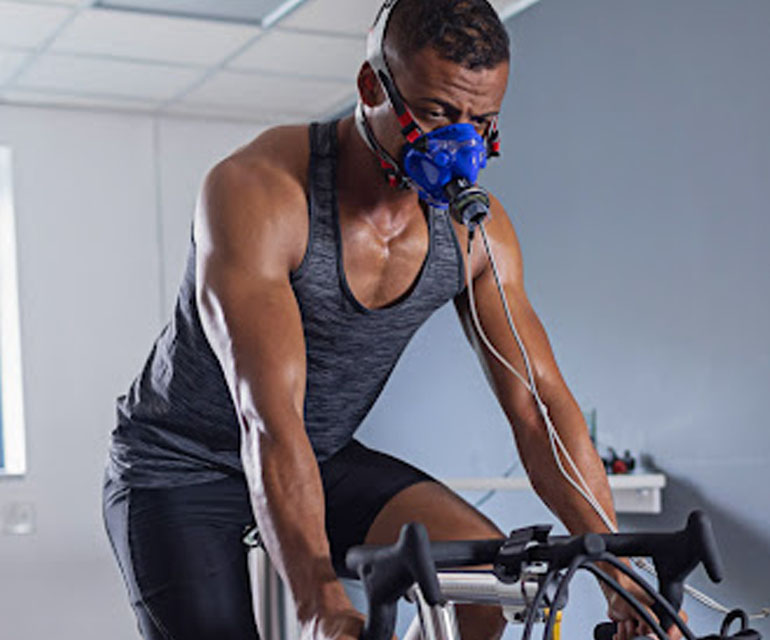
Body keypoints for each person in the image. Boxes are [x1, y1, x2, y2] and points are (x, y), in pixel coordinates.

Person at [102, 1, 681, 639]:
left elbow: (538, 406)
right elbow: (267, 418)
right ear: (371, 86)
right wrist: (320, 600)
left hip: (319, 456)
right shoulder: (260, 193)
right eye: (436, 114)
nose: (460, 144)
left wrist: (621, 572)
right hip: (182, 465)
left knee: (489, 580)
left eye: (481, 120)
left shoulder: (473, 235)